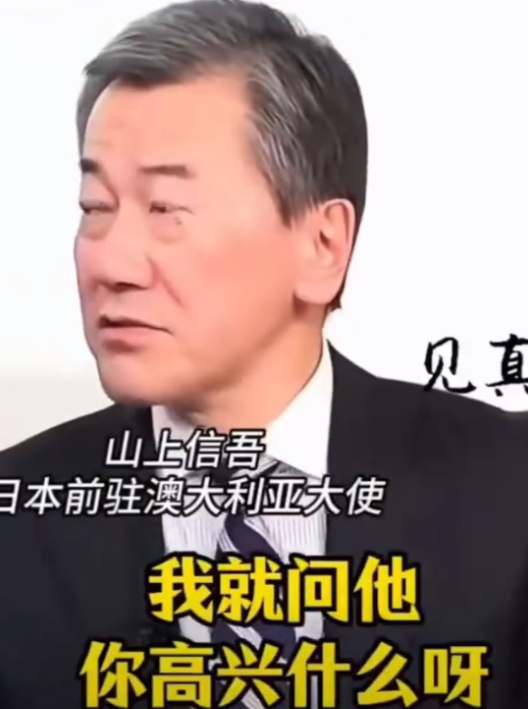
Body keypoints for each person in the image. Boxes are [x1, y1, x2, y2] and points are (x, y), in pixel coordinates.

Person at [1, 1, 527, 707]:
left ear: (322, 246)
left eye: (166, 209)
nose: (111, 263)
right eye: (95, 207)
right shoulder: (16, 522)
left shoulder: (507, 493)